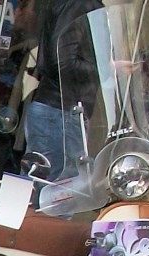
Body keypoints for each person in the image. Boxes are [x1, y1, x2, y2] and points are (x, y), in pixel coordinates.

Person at [22, 0, 101, 181]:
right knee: (57, 188)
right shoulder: (79, 4)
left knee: (43, 186)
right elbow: (63, 62)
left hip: (58, 108)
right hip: (60, 111)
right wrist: (106, 67)